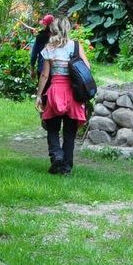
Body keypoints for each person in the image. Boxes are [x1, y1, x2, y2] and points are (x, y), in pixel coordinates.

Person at [35, 19, 87, 174]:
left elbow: (45, 75)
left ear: (53, 30)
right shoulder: (76, 46)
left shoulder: (49, 48)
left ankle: (57, 157)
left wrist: (39, 95)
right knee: (69, 132)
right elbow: (86, 69)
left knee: (52, 128)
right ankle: (66, 166)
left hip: (55, 91)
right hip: (73, 92)